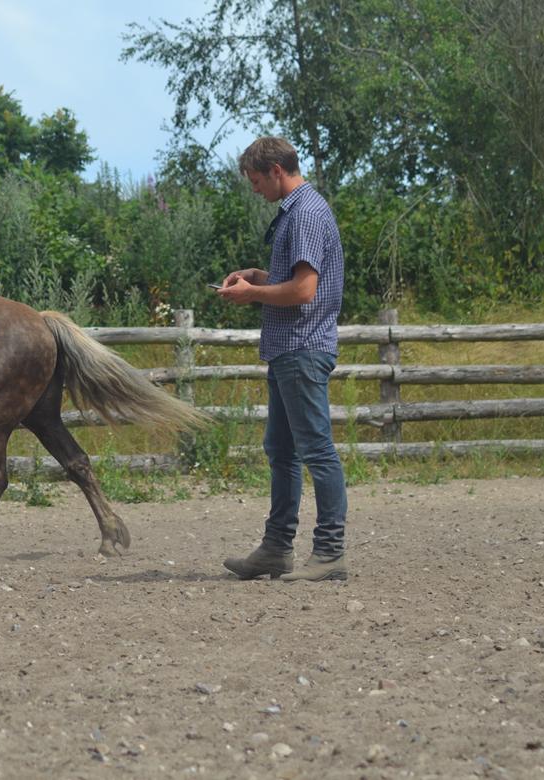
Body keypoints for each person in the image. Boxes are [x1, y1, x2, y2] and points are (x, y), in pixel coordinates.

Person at [216, 136, 349, 582]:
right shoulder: (299, 212)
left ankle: (329, 553)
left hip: (301, 347)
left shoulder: (306, 214)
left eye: (256, 181)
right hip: (289, 348)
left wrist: (253, 293)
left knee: (316, 450)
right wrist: (257, 277)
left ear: (276, 170)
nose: (255, 189)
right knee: (283, 450)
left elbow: (304, 291)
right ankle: (276, 549)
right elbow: (294, 280)